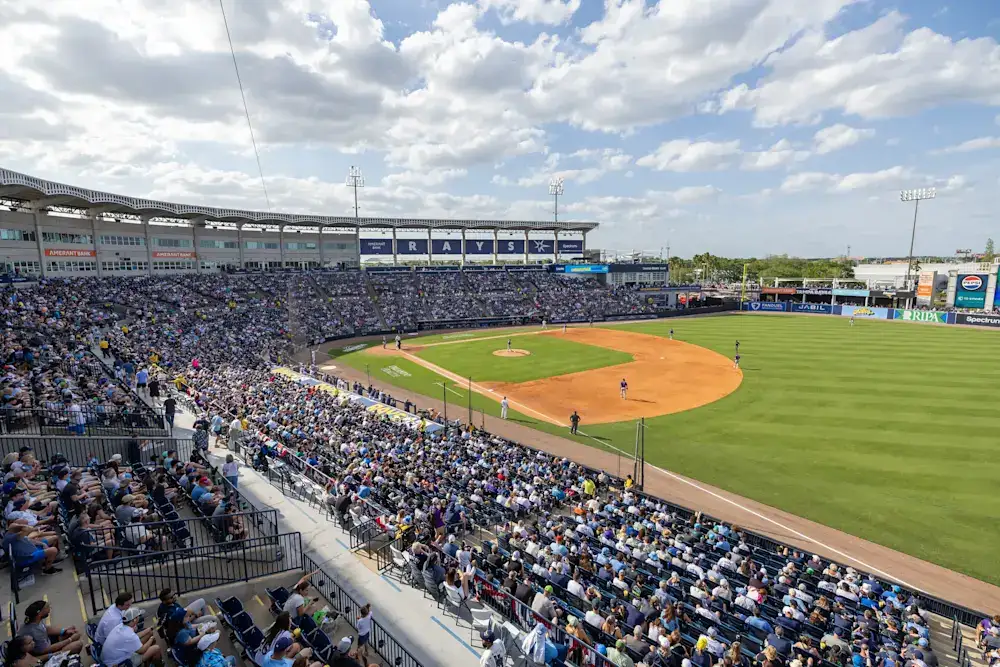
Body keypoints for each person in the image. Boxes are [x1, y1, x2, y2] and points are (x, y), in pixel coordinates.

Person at [18, 601, 84, 656]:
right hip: (45, 654)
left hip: (47, 642)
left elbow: (46, 629)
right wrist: (70, 640)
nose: (49, 609)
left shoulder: (35, 620)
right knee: (78, 644)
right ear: (39, 614)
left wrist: (64, 631)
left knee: (73, 631)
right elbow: (46, 650)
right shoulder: (35, 631)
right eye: (47, 608)